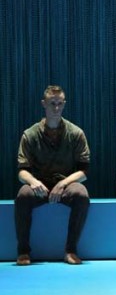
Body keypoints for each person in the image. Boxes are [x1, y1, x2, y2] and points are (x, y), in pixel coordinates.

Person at [15, 85, 90, 266]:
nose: (56, 108)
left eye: (59, 104)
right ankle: (23, 251)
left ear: (64, 104)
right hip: (39, 185)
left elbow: (84, 170)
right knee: (23, 195)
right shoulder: (30, 134)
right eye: (52, 104)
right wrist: (33, 181)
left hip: (65, 184)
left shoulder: (76, 133)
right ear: (44, 104)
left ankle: (71, 250)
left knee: (82, 194)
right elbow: (21, 170)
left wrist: (64, 183)